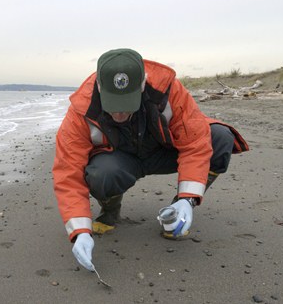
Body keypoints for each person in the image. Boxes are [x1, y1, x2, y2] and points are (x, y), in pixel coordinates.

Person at [52, 48, 249, 271]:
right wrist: (80, 231)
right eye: (112, 106)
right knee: (102, 174)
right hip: (120, 160)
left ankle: (178, 212)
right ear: (99, 87)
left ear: (143, 83)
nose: (119, 115)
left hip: (164, 151)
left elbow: (195, 142)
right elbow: (68, 173)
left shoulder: (168, 90)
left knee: (220, 139)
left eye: (127, 105)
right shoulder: (80, 109)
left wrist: (188, 198)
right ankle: (110, 212)